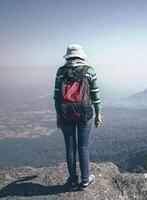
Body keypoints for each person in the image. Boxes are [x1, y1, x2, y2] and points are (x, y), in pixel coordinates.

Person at [53, 44, 102, 190]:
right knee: (83, 147)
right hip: (84, 113)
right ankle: (85, 180)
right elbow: (95, 95)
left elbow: (56, 96)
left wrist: (58, 115)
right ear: (81, 55)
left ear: (68, 56)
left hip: (65, 114)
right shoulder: (90, 71)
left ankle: (73, 181)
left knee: (70, 147)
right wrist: (98, 113)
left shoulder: (61, 72)